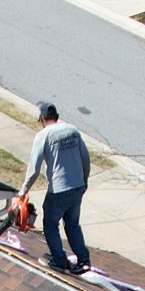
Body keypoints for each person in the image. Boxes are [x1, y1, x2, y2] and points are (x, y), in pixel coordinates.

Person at [19, 102, 93, 274]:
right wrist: (85, 181)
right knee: (72, 224)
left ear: (42, 119)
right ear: (57, 117)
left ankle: (60, 261)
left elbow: (34, 169)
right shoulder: (73, 130)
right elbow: (85, 158)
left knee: (50, 224)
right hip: (78, 186)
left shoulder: (43, 135)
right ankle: (84, 261)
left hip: (59, 190)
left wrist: (23, 191)